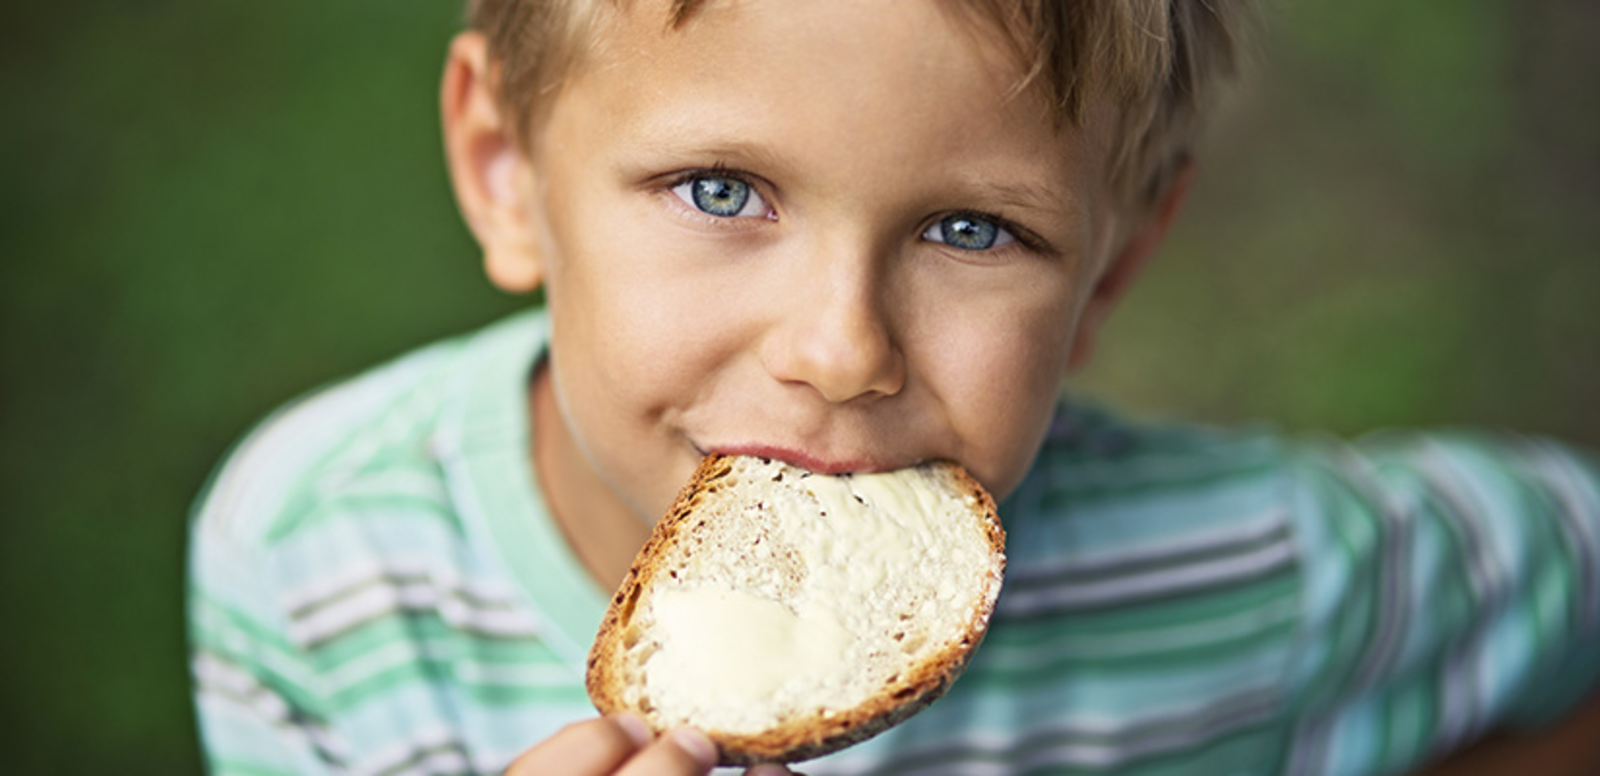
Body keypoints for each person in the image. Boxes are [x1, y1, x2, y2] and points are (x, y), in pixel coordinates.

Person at [186, 1, 1600, 774]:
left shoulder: (1243, 576)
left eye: (972, 230)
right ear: (506, 172)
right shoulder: (319, 558)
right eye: (721, 189)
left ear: (1106, 276)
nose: (841, 347)